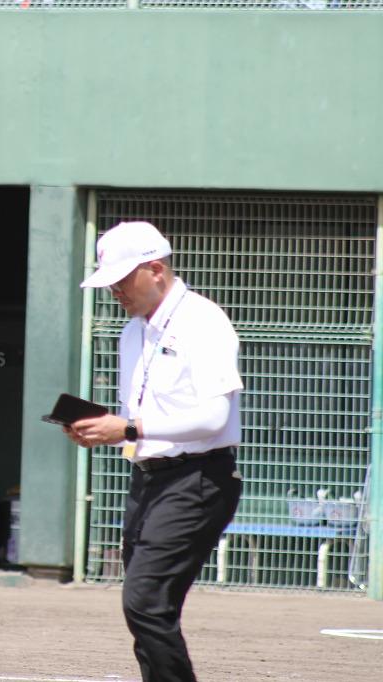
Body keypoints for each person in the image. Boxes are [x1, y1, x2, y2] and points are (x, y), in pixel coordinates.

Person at [65, 221, 243, 682]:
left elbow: (214, 419)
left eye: (122, 280)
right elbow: (142, 420)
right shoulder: (132, 332)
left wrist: (126, 428)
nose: (115, 291)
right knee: (148, 608)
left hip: (198, 478)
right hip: (149, 478)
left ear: (156, 270)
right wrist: (105, 430)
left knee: (144, 602)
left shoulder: (203, 321)